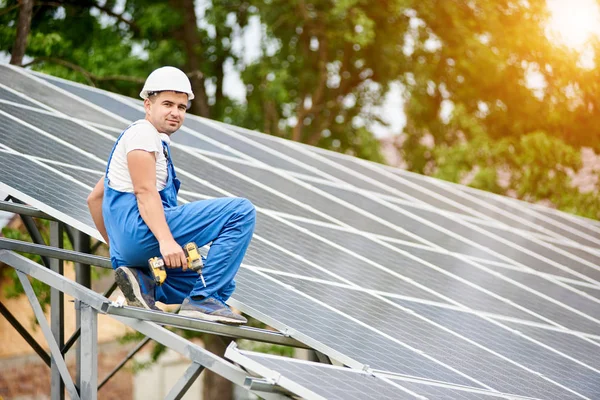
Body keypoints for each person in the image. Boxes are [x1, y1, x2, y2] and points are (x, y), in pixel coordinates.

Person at [87, 66, 255, 325]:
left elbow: (95, 199)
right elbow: (145, 192)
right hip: (143, 233)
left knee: (216, 276)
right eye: (167, 104)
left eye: (182, 107)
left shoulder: (145, 142)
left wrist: (120, 252)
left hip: (130, 249)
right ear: (147, 104)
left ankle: (144, 283)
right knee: (241, 212)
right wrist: (165, 241)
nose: (175, 112)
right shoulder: (143, 134)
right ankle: (201, 301)